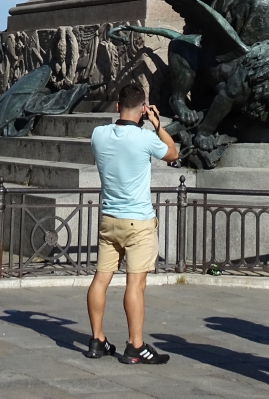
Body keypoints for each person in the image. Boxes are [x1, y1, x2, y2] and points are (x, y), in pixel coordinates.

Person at [86, 82, 178, 365]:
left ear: (117, 107)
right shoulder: (145, 138)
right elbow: (173, 152)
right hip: (138, 221)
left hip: (109, 219)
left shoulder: (99, 134)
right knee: (135, 284)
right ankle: (135, 345)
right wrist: (157, 124)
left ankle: (97, 339)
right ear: (142, 110)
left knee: (101, 278)